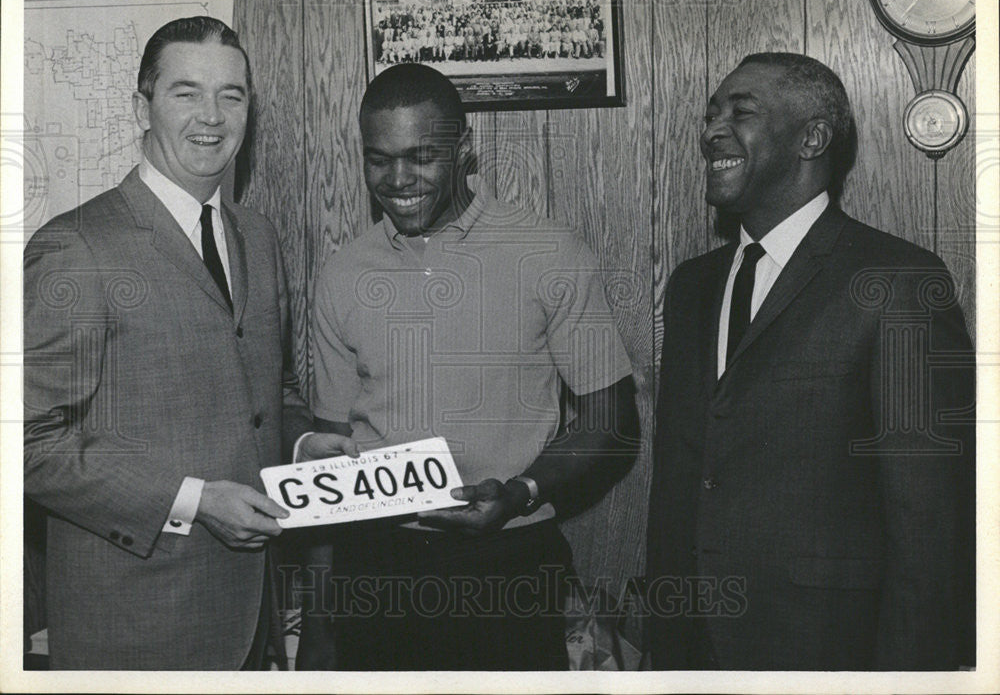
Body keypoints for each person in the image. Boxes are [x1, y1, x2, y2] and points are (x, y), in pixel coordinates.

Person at [23, 16, 353, 670]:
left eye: (231, 95)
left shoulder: (256, 235)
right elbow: (27, 443)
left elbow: (267, 390)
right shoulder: (76, 248)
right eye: (186, 92)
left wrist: (304, 443)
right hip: (136, 633)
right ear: (141, 105)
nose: (211, 116)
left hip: (250, 619)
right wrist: (196, 500)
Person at [297, 63, 639, 671]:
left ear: (466, 149)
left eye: (422, 156)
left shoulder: (550, 253)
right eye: (379, 160)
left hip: (506, 564)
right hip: (373, 568)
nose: (398, 180)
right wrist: (322, 621)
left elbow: (613, 425)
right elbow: (333, 460)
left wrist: (518, 494)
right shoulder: (343, 272)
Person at [645, 52, 975, 670]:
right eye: (710, 114)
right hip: (695, 646)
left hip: (829, 648)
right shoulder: (691, 286)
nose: (712, 130)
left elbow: (930, 522)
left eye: (741, 113)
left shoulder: (897, 281)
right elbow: (681, 481)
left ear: (812, 138)